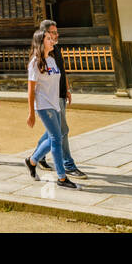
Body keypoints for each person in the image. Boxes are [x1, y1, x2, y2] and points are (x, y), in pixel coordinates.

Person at [31, 20, 86, 179]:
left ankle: (38, 156)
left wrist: (67, 89)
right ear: (45, 34)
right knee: (62, 131)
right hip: (50, 98)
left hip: (60, 94)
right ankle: (67, 164)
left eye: (56, 32)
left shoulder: (56, 49)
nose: (56, 35)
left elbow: (62, 71)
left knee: (54, 132)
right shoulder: (43, 54)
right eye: (53, 33)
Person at [23, 30, 76, 189]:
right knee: (56, 139)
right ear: (41, 41)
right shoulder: (35, 63)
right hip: (43, 105)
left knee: (56, 137)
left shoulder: (52, 61)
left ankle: (32, 161)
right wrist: (31, 112)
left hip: (54, 104)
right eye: (48, 38)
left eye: (52, 38)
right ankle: (61, 177)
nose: (52, 40)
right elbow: (31, 90)